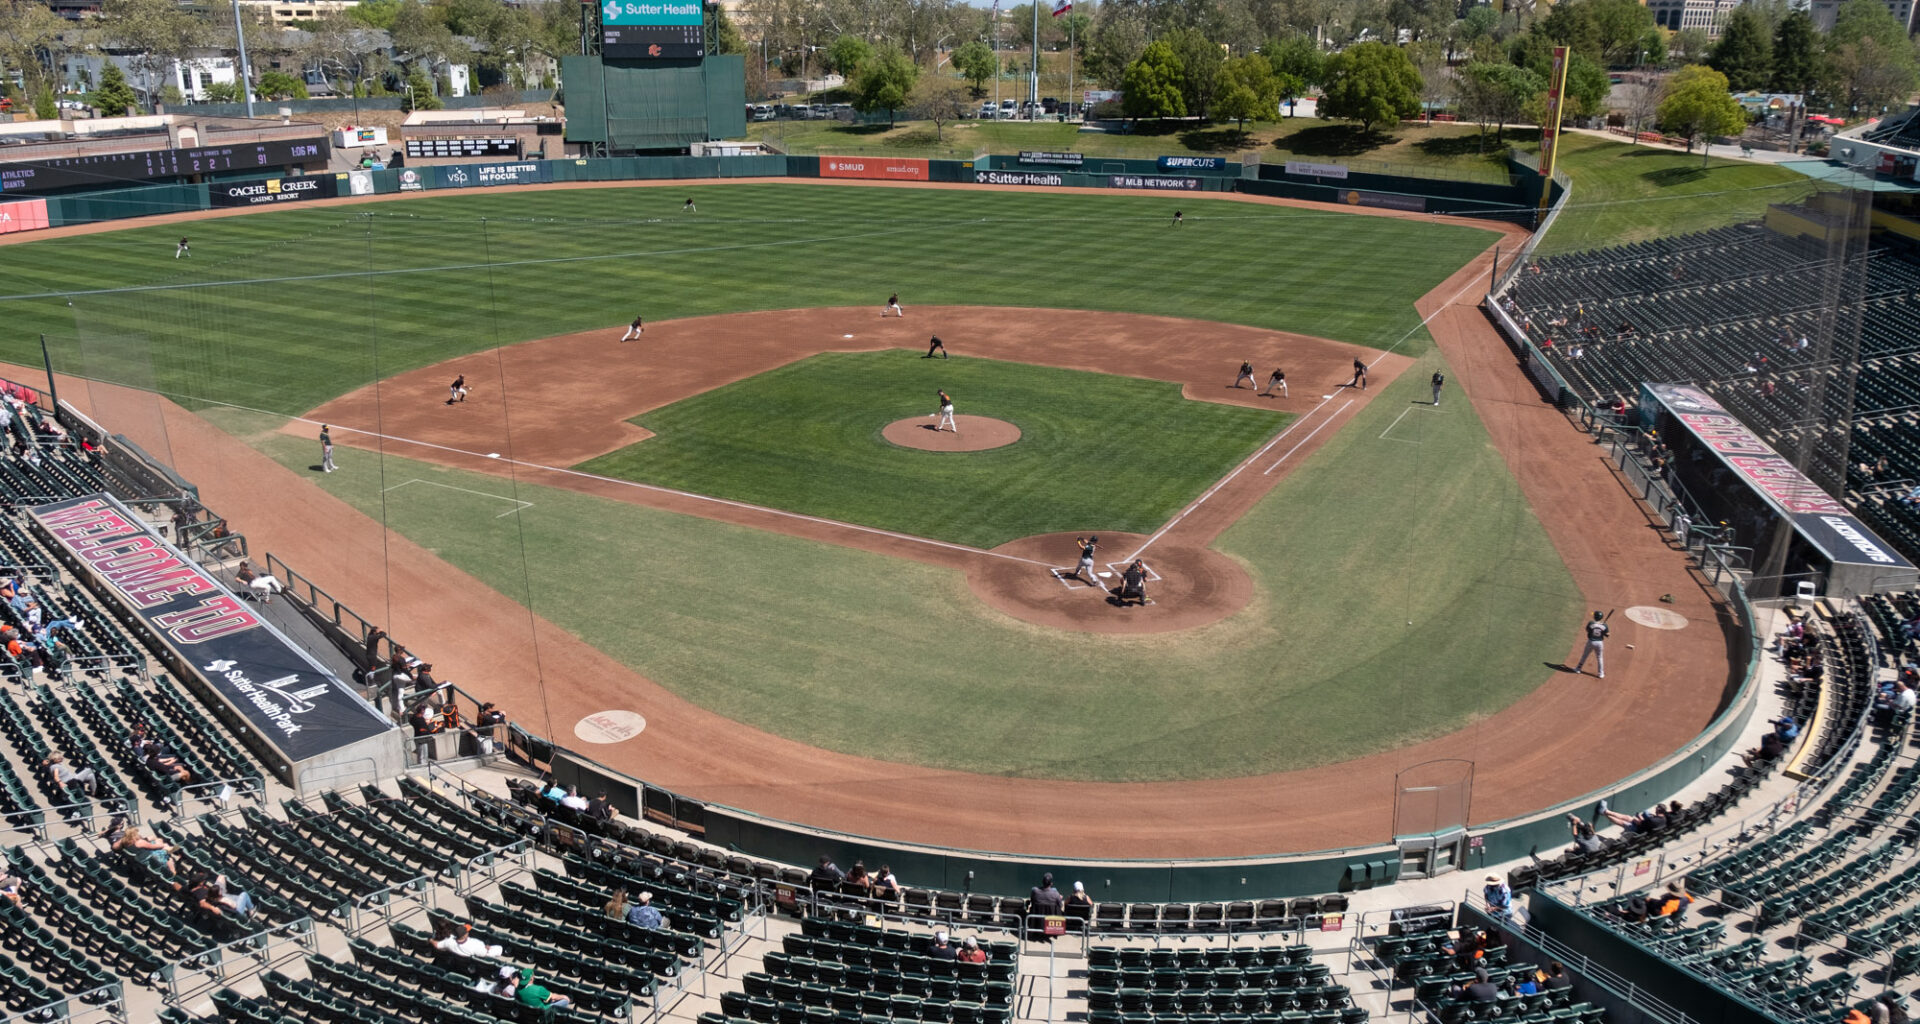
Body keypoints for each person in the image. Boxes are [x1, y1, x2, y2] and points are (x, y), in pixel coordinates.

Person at [1572, 610, 1609, 679]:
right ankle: (1601, 674)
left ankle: (1578, 669)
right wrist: (1602, 631)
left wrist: (1597, 627)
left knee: (1585, 655)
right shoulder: (1604, 625)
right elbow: (1608, 635)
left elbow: (1588, 630)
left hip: (1591, 642)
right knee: (1600, 657)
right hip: (1600, 643)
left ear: (1595, 617)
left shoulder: (1591, 623)